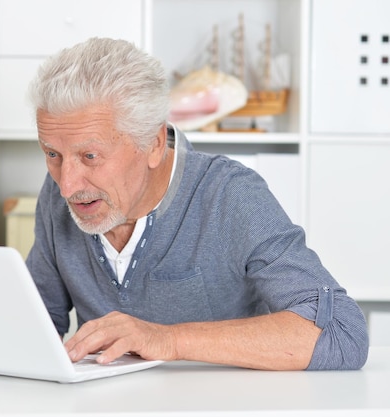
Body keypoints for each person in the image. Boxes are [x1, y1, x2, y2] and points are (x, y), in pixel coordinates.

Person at [25, 37, 368, 371]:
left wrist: (168, 340)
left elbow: (342, 332)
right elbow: (35, 325)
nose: (68, 185)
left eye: (90, 155)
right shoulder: (59, 193)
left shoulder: (230, 195)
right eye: (52, 154)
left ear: (154, 144)